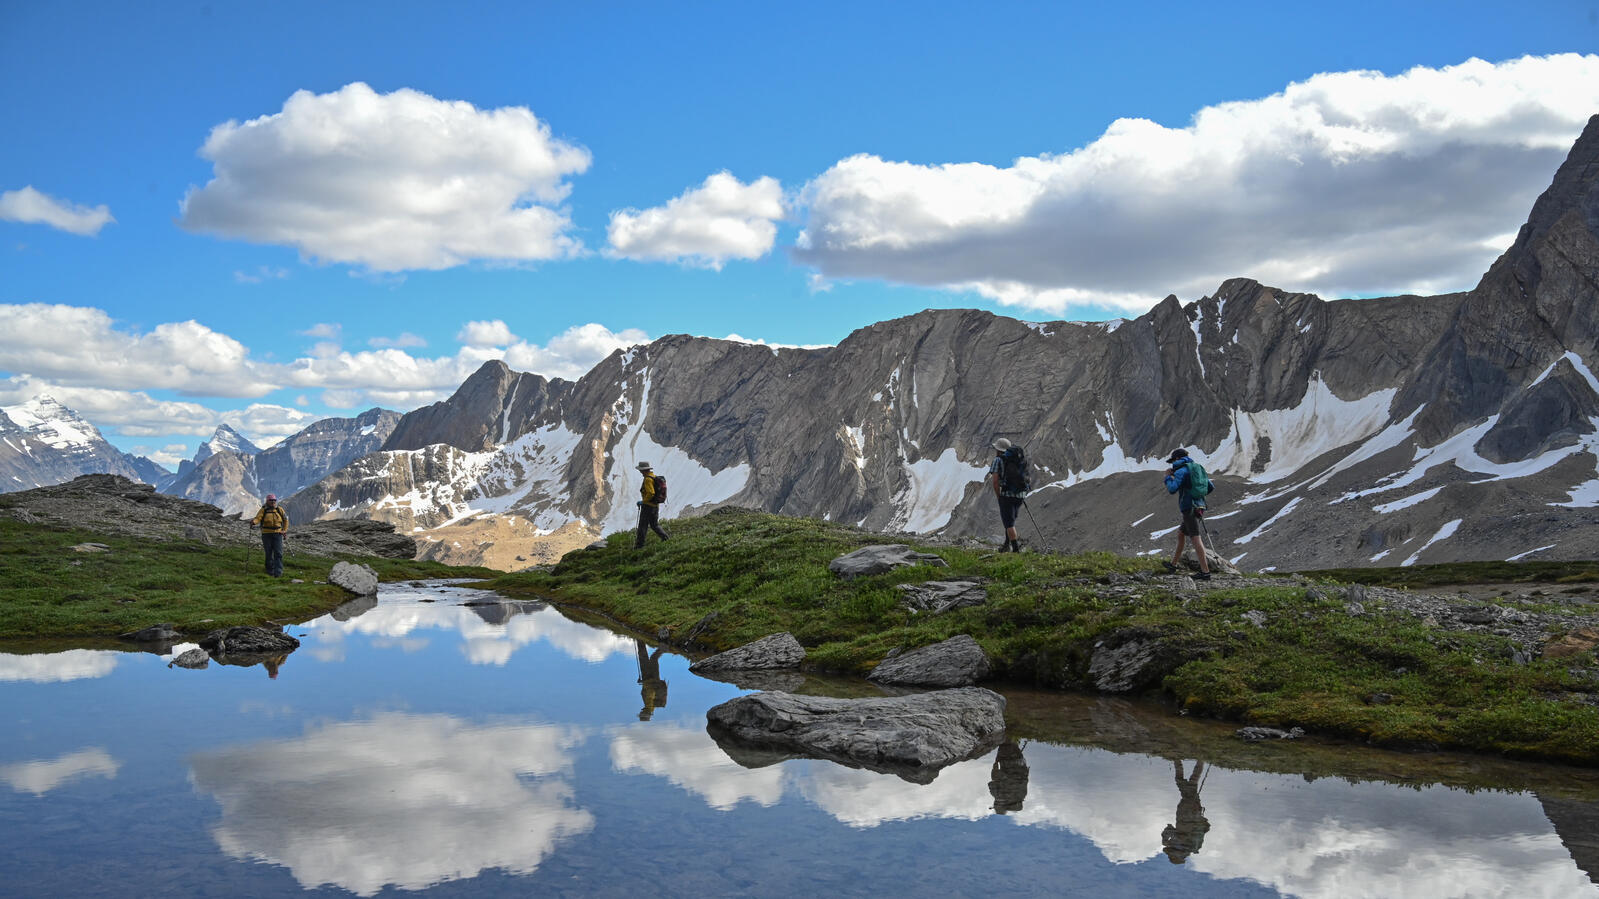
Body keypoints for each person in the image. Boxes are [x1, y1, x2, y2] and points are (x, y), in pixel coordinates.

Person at [1163, 449, 1211, 580]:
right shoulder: (1197, 468)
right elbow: (1210, 486)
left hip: (1188, 507)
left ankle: (1205, 572)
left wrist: (1168, 477)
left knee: (1195, 538)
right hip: (1199, 506)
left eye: (1173, 461)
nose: (1172, 464)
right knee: (1181, 534)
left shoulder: (1181, 470)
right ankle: (1173, 564)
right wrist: (1197, 494)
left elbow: (1172, 489)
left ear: (1178, 458)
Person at [1161, 759, 1211, 863]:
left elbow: (1169, 827)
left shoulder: (1186, 845)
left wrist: (1165, 838)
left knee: (1190, 781)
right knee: (1187, 781)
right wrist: (1166, 839)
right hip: (1189, 811)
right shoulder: (1185, 844)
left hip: (1187, 810)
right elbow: (1174, 831)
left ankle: (1196, 759)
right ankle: (1185, 759)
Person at [987, 438, 1026, 552]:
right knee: (1010, 519)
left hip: (1007, 494)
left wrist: (999, 496)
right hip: (1020, 494)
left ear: (998, 450)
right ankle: (1006, 545)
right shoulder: (1018, 459)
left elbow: (995, 482)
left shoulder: (998, 460)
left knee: (1009, 523)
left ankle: (1015, 550)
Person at [250, 493, 289, 577]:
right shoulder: (263, 510)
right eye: (271, 500)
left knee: (278, 553)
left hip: (278, 533)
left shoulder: (280, 509)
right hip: (266, 534)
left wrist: (284, 530)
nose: (273, 502)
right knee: (268, 552)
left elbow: (286, 520)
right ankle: (269, 570)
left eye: (274, 500)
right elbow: (258, 518)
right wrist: (254, 522)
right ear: (267, 501)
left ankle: (278, 572)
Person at [634, 461, 669, 549]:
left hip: (648, 506)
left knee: (642, 526)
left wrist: (643, 501)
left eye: (641, 470)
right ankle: (665, 538)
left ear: (644, 470)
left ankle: (639, 546)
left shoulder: (647, 479)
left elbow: (651, 493)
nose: (640, 472)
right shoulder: (653, 476)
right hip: (655, 505)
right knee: (654, 524)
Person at [636, 638, 668, 721]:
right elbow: (651, 691)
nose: (641, 711)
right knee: (651, 658)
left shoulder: (650, 705)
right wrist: (643, 683)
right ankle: (665, 645)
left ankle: (640, 639)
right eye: (641, 713)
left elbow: (649, 691)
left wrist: (643, 683)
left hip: (648, 677)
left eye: (640, 713)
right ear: (645, 712)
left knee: (648, 657)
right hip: (651, 678)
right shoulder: (649, 704)